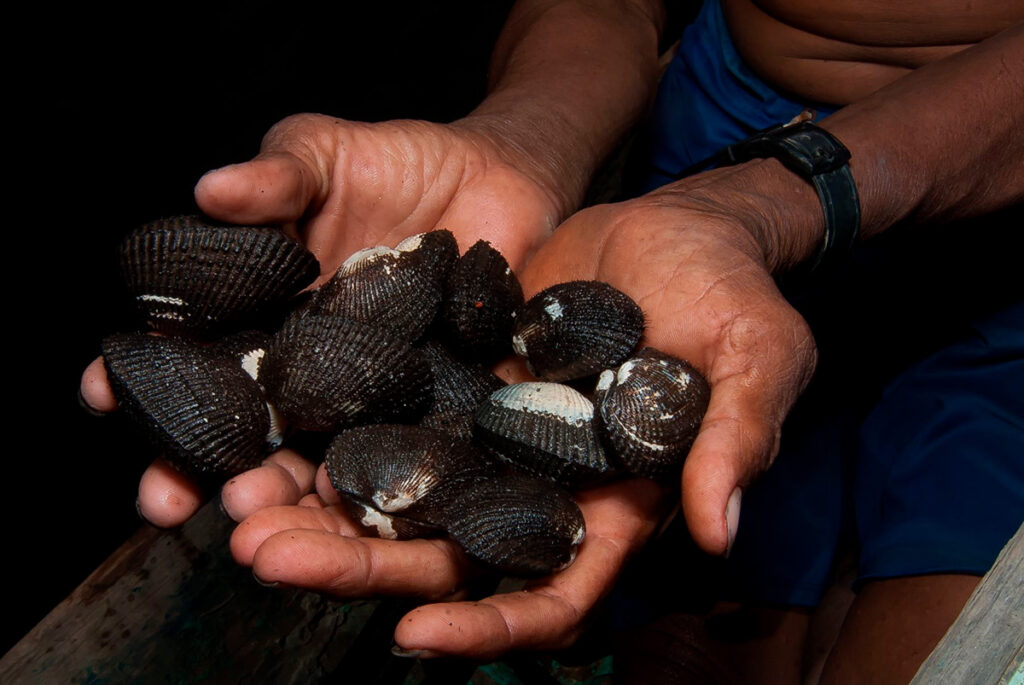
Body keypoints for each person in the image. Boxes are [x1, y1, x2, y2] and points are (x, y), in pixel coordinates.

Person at [80, 1, 1023, 681]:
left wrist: (777, 198)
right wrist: (528, 142)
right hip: (723, 120)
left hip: (990, 234)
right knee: (730, 606)